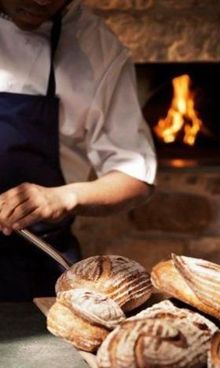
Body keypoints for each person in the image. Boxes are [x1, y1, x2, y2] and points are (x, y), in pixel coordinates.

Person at [0, 0, 157, 301]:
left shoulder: (97, 48)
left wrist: (63, 196)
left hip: (37, 270)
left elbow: (135, 176)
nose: (42, 1)